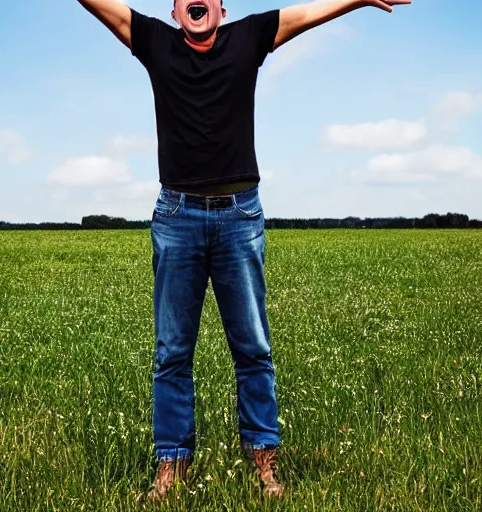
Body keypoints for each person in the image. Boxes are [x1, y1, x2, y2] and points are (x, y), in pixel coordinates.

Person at [77, 0, 411, 501]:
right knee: (172, 354)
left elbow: (304, 17)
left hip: (239, 217)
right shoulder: (156, 43)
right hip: (177, 217)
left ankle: (264, 465)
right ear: (174, 12)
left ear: (220, 9)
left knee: (253, 349)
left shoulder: (247, 38)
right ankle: (170, 469)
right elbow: (113, 13)